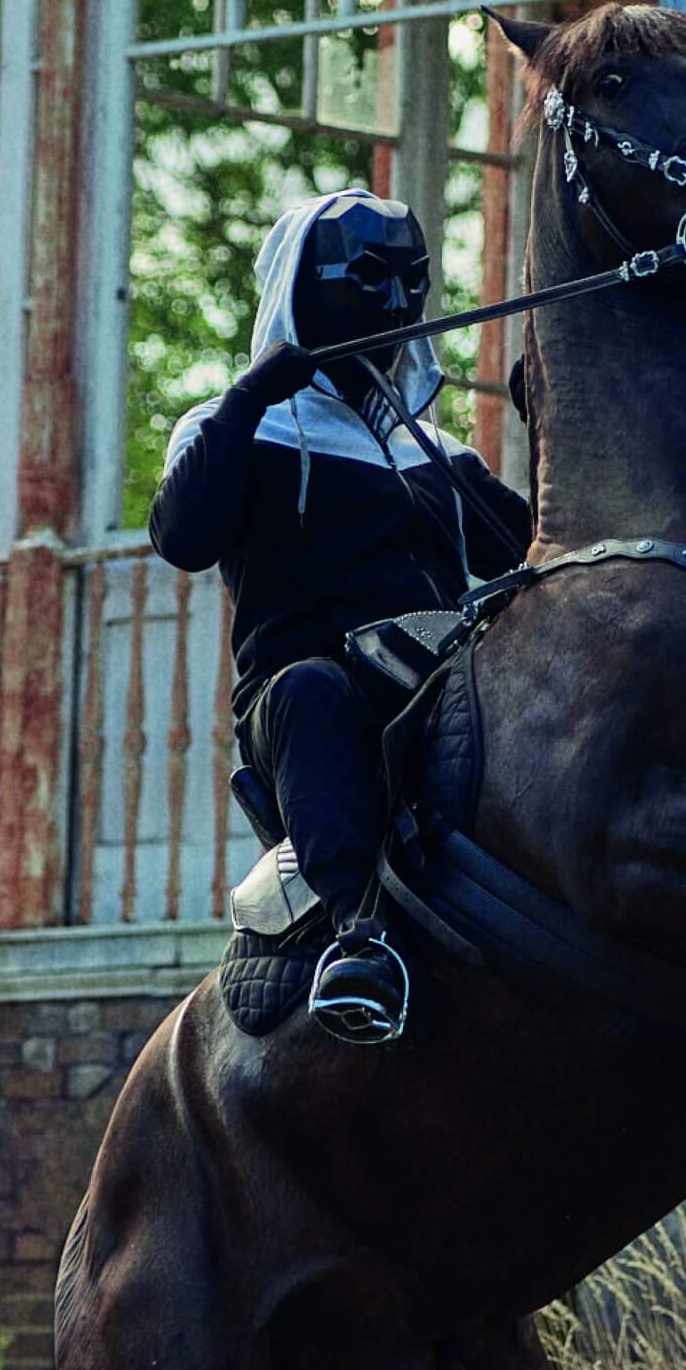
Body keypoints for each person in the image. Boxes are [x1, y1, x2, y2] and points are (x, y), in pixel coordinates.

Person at [149, 187, 532, 1045]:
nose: (397, 306)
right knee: (313, 691)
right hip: (304, 702)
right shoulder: (227, 429)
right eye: (369, 279)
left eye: (413, 282)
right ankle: (362, 942)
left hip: (438, 689)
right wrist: (251, 393)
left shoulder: (438, 453)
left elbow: (540, 561)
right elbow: (183, 537)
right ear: (304, 289)